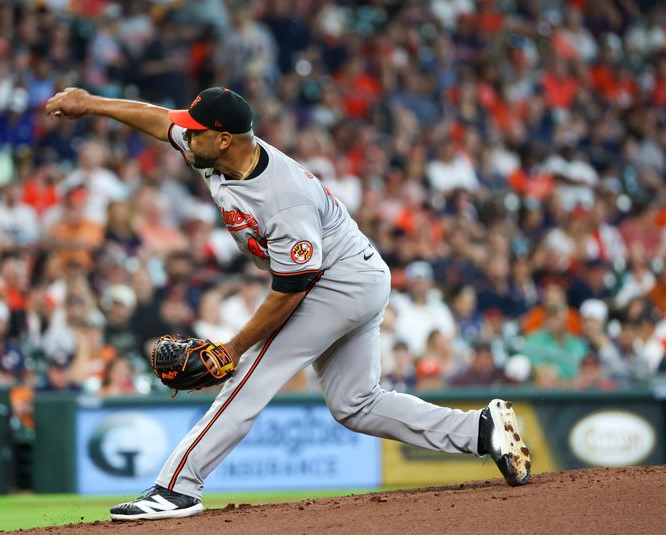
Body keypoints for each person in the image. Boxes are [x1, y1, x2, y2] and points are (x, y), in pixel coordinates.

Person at [45, 86, 531, 521]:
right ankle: (478, 430)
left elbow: (291, 289)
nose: (184, 139)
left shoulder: (283, 197)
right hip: (355, 273)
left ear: (223, 138)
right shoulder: (215, 151)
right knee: (355, 403)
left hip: (337, 281)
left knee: (248, 374)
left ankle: (176, 487)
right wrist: (92, 105)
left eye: (195, 134)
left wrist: (233, 347)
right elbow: (158, 119)